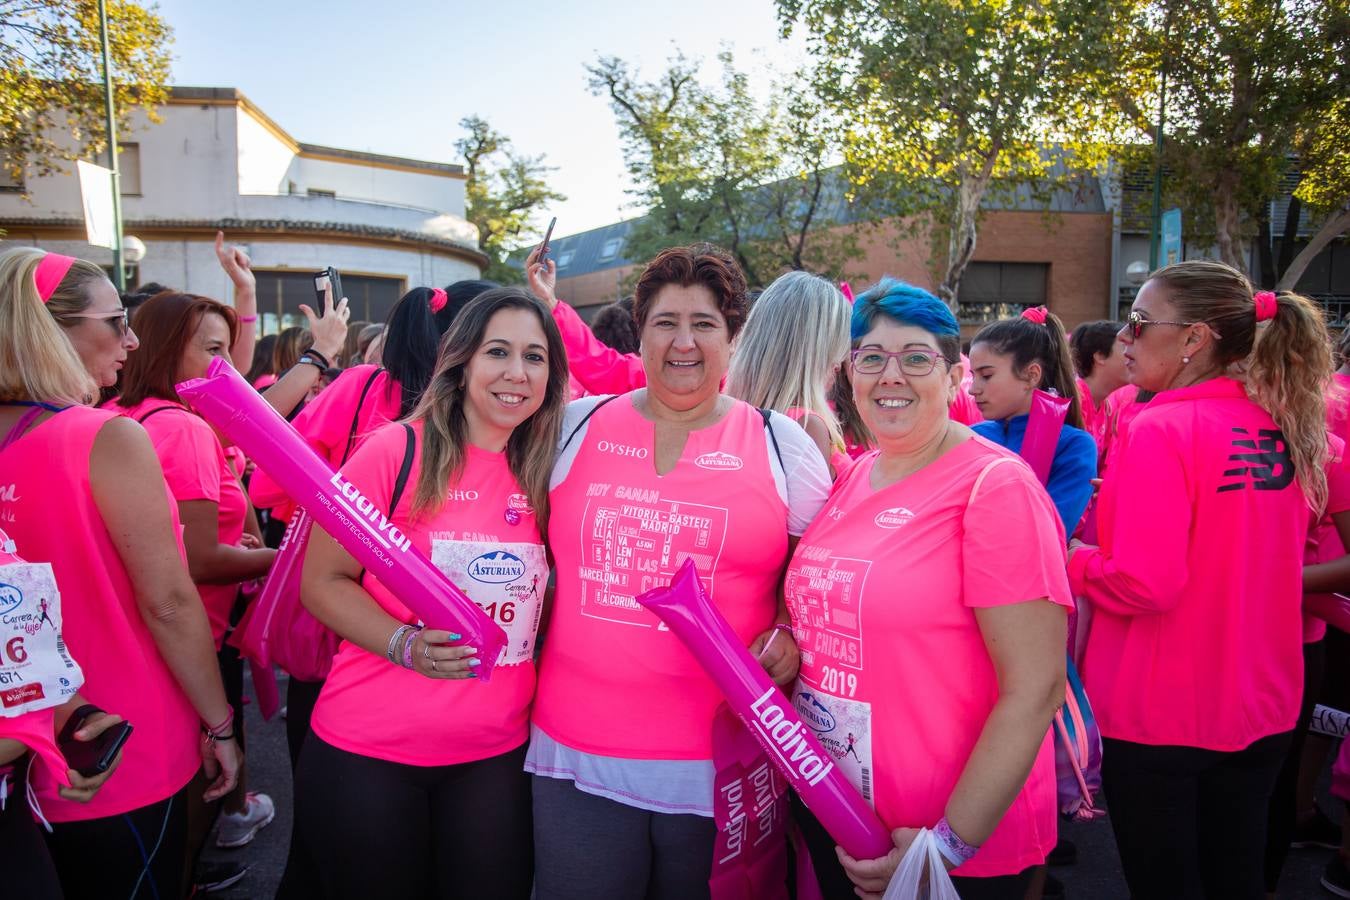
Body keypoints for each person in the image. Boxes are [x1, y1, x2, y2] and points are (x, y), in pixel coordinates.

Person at [527, 244, 833, 899]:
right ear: (640, 334)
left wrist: (787, 634)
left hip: (719, 768)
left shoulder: (784, 446)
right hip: (576, 753)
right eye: (666, 322)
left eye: (704, 323)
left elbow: (819, 587)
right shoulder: (572, 430)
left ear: (733, 336)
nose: (684, 342)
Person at [787, 278, 1070, 900]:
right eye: (872, 359)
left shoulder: (995, 489)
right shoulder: (858, 473)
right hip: (844, 815)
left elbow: (1037, 686)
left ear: (952, 377)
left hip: (946, 845)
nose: (892, 376)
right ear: (850, 374)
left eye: (916, 358)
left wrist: (944, 846)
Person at [1068, 260, 1332, 899]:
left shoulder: (1161, 426)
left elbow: (1145, 583)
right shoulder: (1285, 421)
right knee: (1236, 874)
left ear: (1194, 339)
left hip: (1162, 709)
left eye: (1138, 322)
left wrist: (1069, 552)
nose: (1125, 339)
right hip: (1263, 699)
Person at [294, 287, 568, 898]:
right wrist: (404, 645)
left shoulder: (551, 471)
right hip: (370, 754)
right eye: (498, 352)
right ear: (462, 359)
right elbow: (322, 582)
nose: (516, 374)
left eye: (535, 356)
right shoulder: (395, 451)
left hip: (495, 758)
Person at [0, 247, 240, 898]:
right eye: (115, 322)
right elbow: (168, 601)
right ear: (48, 330)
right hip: (115, 746)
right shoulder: (102, 437)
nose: (131, 340)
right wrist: (219, 724)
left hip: (26, 749)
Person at [112, 291, 278, 850]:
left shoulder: (118, 417)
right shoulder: (182, 429)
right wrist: (279, 558)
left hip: (132, 640)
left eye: (227, 351)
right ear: (162, 350)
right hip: (193, 641)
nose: (225, 367)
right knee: (197, 787)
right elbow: (200, 562)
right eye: (212, 350)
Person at [969, 307, 1097, 532]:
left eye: (986, 376)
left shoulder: (1073, 446)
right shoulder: (970, 437)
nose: (973, 389)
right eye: (973, 376)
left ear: (1031, 375)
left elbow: (1049, 532)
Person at [725, 270, 852, 476]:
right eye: (833, 350)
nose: (838, 366)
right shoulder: (806, 425)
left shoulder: (729, 416)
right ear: (810, 355)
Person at [1070, 320, 1130, 448]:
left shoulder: (1106, 408)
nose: (1132, 354)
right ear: (1100, 356)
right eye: (1125, 347)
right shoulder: (1071, 403)